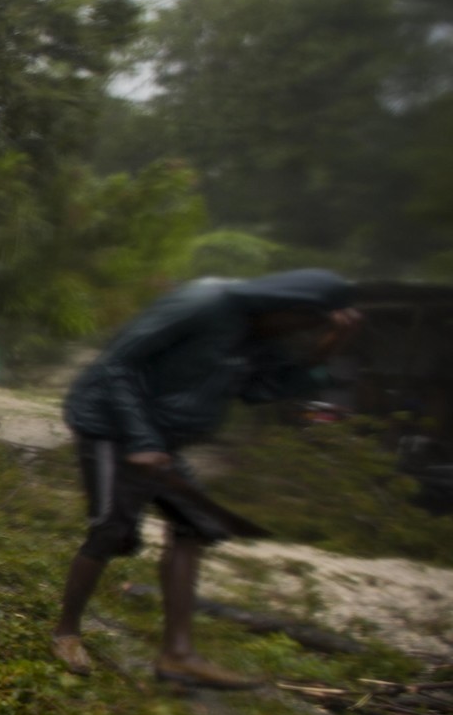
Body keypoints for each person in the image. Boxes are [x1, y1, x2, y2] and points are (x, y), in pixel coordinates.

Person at [52, 269, 362, 685]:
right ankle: (66, 633)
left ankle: (177, 655)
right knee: (110, 528)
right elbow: (117, 365)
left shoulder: (257, 337)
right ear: (287, 305)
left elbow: (259, 391)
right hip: (109, 422)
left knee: (194, 526)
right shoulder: (205, 302)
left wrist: (324, 353)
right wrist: (142, 439)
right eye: (304, 322)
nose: (299, 331)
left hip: (159, 437)